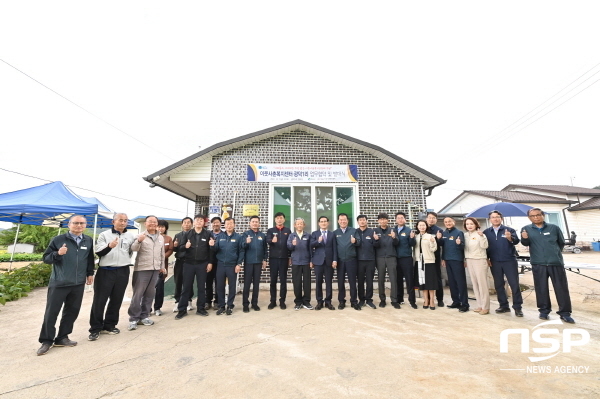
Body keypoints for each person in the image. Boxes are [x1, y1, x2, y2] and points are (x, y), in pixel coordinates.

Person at [37, 215, 95, 356]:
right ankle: (46, 341)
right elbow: (46, 258)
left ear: (85, 225)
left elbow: (89, 259)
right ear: (69, 224)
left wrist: (90, 273)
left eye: (82, 223)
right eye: (75, 223)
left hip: (78, 283)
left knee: (71, 312)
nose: (79, 225)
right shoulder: (58, 240)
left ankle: (62, 337)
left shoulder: (88, 240)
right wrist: (57, 253)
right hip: (59, 282)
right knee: (52, 313)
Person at [521, 208, 575, 323]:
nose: (536, 217)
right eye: (532, 216)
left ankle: (565, 313)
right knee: (541, 288)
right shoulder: (526, 229)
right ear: (529, 218)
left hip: (555, 263)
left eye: (538, 215)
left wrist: (554, 254)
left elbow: (561, 243)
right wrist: (524, 238)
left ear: (543, 215)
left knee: (561, 289)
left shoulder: (554, 228)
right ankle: (544, 311)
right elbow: (525, 243)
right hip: (538, 263)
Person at [88, 213, 134, 342]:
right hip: (106, 271)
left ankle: (110, 325)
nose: (123, 223)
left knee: (116, 299)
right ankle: (95, 328)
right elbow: (98, 252)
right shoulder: (104, 235)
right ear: (113, 222)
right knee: (99, 301)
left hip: (123, 271)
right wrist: (109, 246)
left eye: (125, 220)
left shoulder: (130, 236)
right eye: (120, 220)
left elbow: (130, 252)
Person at [128, 215, 166, 331]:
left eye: (154, 222)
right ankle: (134, 318)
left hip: (155, 269)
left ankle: (144, 316)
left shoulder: (160, 237)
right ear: (146, 223)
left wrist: (162, 267)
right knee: (137, 294)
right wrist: (139, 241)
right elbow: (133, 248)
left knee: (149, 294)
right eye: (150, 222)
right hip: (142, 269)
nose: (152, 224)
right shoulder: (141, 235)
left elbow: (162, 253)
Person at [483, 210, 523, 317]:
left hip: (509, 260)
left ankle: (518, 307)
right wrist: (487, 258)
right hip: (494, 261)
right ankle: (503, 305)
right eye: (493, 217)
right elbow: (485, 247)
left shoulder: (509, 230)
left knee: (514, 284)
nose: (495, 219)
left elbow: (516, 241)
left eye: (497, 217)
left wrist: (510, 237)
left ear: (501, 218)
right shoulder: (486, 232)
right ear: (489, 219)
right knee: (498, 284)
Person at [175, 214, 214, 320]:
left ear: (204, 223)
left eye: (201, 220)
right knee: (186, 287)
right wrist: (185, 247)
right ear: (194, 222)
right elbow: (180, 248)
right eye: (197, 220)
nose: (199, 222)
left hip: (202, 264)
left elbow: (211, 251)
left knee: (201, 287)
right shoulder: (187, 234)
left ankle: (200, 308)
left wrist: (210, 262)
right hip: (188, 263)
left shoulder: (208, 234)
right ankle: (182, 309)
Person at [212, 217, 244, 315]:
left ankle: (230, 305)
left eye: (231, 223)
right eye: (227, 224)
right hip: (220, 265)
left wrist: (239, 264)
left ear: (234, 225)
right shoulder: (220, 236)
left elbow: (241, 251)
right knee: (220, 286)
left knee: (232, 286)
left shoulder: (238, 237)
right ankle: (221, 306)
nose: (229, 226)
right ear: (224, 225)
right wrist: (212, 245)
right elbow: (215, 250)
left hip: (232, 265)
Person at [440, 217, 469, 313]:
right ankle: (456, 301)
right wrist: (443, 258)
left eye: (449, 221)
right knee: (452, 282)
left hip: (457, 260)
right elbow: (443, 247)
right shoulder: (444, 233)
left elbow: (463, 247)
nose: (448, 223)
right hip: (448, 260)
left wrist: (459, 244)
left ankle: (465, 304)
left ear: (454, 222)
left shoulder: (459, 232)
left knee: (460, 282)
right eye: (446, 222)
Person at [333, 213, 361, 310]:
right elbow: (334, 248)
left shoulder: (353, 230)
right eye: (341, 220)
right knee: (340, 282)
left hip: (351, 260)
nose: (342, 221)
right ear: (338, 221)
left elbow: (359, 242)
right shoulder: (335, 233)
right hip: (340, 261)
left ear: (347, 221)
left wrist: (355, 241)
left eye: (344, 219)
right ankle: (341, 301)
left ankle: (354, 301)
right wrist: (335, 260)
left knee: (352, 282)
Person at [463, 217, 490, 315]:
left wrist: (482, 236)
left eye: (471, 224)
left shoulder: (480, 234)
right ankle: (479, 305)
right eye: (467, 224)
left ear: (476, 224)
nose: (469, 226)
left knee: (482, 285)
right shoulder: (465, 235)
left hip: (479, 260)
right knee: (475, 284)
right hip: (469, 260)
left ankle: (486, 307)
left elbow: (484, 246)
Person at [310, 216, 337, 310]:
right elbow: (311, 245)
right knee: (318, 282)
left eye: (325, 221)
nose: (323, 223)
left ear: (328, 223)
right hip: (318, 262)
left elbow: (334, 248)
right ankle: (319, 302)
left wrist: (334, 260)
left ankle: (328, 302)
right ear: (319, 223)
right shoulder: (315, 233)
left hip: (329, 262)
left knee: (329, 282)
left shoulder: (332, 234)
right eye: (321, 221)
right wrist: (318, 241)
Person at [374, 212, 400, 309]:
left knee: (393, 279)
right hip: (380, 257)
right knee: (381, 279)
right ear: (378, 221)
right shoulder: (375, 231)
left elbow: (397, 243)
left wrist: (394, 237)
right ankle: (382, 299)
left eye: (384, 219)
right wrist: (376, 240)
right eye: (381, 219)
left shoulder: (393, 230)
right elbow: (374, 246)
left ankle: (394, 300)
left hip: (391, 257)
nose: (383, 221)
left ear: (387, 220)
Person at [266, 212, 292, 310]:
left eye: (281, 218)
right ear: (275, 220)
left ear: (284, 220)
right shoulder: (271, 230)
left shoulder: (287, 230)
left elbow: (290, 245)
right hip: (273, 259)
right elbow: (267, 240)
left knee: (283, 280)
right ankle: (273, 301)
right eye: (277, 218)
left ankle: (282, 301)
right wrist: (272, 240)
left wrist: (290, 257)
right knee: (273, 281)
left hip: (284, 259)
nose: (279, 220)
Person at [241, 216, 268, 313]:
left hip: (258, 263)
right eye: (253, 222)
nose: (255, 223)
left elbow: (265, 249)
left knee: (256, 284)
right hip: (248, 262)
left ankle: (255, 303)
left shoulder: (262, 235)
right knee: (247, 284)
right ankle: (245, 304)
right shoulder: (246, 234)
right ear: (250, 223)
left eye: (256, 222)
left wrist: (265, 259)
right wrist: (246, 243)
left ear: (259, 223)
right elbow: (242, 247)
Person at [288, 218, 313, 310]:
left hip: (306, 262)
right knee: (297, 282)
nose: (299, 225)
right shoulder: (291, 236)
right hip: (296, 262)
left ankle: (306, 301)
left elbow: (310, 249)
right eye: (297, 224)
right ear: (295, 225)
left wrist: (311, 261)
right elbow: (289, 247)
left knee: (307, 283)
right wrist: (292, 244)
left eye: (301, 223)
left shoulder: (308, 235)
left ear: (304, 225)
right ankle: (298, 302)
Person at [394, 212, 417, 309]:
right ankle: (400, 299)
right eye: (398, 218)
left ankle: (412, 300)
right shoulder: (392, 230)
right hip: (396, 258)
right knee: (398, 280)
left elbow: (412, 244)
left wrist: (412, 238)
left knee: (409, 280)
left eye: (402, 218)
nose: (400, 219)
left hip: (406, 258)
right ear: (395, 220)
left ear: (405, 220)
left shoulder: (409, 230)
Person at [413, 220, 438, 309]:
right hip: (419, 261)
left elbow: (434, 249)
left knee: (430, 282)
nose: (422, 227)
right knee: (422, 282)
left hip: (428, 261)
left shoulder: (430, 236)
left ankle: (431, 300)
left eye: (423, 225)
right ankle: (425, 300)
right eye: (420, 225)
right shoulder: (416, 236)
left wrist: (432, 242)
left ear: (426, 226)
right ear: (417, 227)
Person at [172, 216, 193, 312]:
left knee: (188, 282)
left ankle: (188, 300)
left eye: (188, 222)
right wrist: (175, 246)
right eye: (185, 222)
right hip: (180, 261)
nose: (187, 224)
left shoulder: (194, 235)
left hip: (190, 261)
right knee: (178, 281)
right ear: (182, 224)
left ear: (191, 224)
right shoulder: (177, 235)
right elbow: (174, 249)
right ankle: (177, 301)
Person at [356, 214, 377, 309]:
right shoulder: (355, 232)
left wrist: (377, 240)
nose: (362, 221)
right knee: (360, 281)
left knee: (369, 281)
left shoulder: (372, 232)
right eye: (360, 220)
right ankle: (361, 299)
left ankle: (369, 299)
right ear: (358, 222)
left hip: (370, 260)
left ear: (366, 221)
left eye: (364, 220)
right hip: (359, 260)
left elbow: (376, 246)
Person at [153, 219, 173, 316]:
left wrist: (162, 257)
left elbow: (170, 249)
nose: (160, 228)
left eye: (162, 227)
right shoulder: (152, 237)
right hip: (150, 267)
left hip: (162, 267)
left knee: (160, 288)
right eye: (159, 226)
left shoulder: (168, 238)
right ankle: (147, 308)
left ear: (166, 228)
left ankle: (157, 308)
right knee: (148, 289)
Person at [426, 212, 445, 307]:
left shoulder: (439, 230)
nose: (431, 219)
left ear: (436, 220)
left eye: (433, 218)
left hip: (435, 257)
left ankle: (440, 299)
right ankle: (428, 299)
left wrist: (439, 239)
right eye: (429, 218)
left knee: (437, 278)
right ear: (426, 219)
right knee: (426, 279)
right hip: (424, 257)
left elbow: (442, 244)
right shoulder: (423, 229)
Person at [206, 216, 222, 309]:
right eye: (214, 222)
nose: (215, 224)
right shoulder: (207, 234)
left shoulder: (224, 235)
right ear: (211, 224)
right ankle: (207, 301)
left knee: (218, 283)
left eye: (217, 222)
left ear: (220, 224)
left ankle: (217, 301)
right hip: (208, 262)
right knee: (208, 282)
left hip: (219, 263)